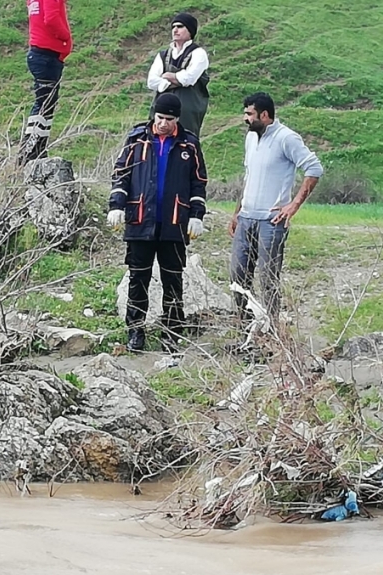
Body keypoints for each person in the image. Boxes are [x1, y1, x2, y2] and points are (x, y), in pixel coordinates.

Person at [108, 93, 208, 353]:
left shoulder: (189, 145)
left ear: (177, 119)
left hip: (175, 223)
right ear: (154, 114)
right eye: (160, 118)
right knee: (137, 278)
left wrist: (197, 214)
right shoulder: (136, 139)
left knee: (172, 280)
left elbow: (199, 181)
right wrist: (116, 206)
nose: (164, 123)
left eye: (170, 119)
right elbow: (121, 174)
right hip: (140, 220)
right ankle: (135, 331)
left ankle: (172, 332)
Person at [228, 92, 323, 321]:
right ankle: (246, 327)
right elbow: (249, 176)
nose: (245, 119)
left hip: (272, 222)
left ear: (265, 114)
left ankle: (272, 329)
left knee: (268, 278)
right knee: (237, 276)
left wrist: (293, 206)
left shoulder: (286, 138)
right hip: (246, 217)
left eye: (249, 114)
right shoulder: (251, 138)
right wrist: (236, 214)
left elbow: (314, 169)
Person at [19, 0, 73, 164]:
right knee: (44, 104)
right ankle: (30, 149)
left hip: (41, 54)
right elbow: (51, 18)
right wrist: (66, 37)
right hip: (47, 54)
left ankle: (37, 147)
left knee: (46, 103)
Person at [147, 12, 209, 137]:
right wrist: (175, 80)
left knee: (185, 141)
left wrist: (166, 77)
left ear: (190, 30)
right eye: (173, 27)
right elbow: (151, 82)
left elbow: (189, 79)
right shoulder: (163, 55)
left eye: (180, 27)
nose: (175, 30)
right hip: (161, 110)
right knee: (155, 140)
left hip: (187, 111)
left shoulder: (198, 54)